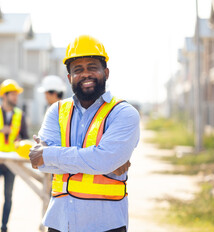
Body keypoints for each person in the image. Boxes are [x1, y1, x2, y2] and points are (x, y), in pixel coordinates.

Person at [29, 35, 140, 232]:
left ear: (105, 72)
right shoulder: (56, 111)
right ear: (69, 77)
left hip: (106, 224)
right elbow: (43, 165)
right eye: (78, 70)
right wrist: (101, 160)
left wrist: (48, 153)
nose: (85, 74)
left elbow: (103, 160)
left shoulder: (123, 113)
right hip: (60, 222)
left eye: (92, 67)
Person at [0, 79, 29, 232]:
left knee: (8, 197)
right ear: (4, 95)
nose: (16, 97)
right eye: (13, 94)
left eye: (17, 94)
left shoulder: (20, 115)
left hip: (11, 163)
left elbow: (25, 137)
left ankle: (4, 228)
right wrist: (0, 131)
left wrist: (19, 141)